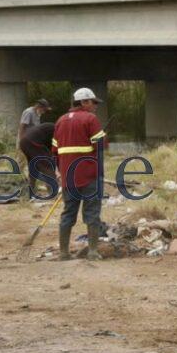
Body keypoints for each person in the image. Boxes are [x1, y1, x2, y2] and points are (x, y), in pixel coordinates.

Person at [52, 88, 107, 261]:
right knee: (92, 212)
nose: (95, 106)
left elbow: (55, 150)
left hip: (68, 176)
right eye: (93, 102)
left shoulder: (60, 121)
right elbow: (101, 146)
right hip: (89, 175)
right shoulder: (90, 119)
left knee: (68, 212)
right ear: (83, 102)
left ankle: (64, 253)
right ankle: (92, 251)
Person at [19, 122, 56, 199]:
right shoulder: (57, 131)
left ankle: (29, 193)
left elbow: (49, 147)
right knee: (47, 165)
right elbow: (54, 149)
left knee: (34, 167)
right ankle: (53, 192)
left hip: (23, 142)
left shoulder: (50, 128)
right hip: (32, 142)